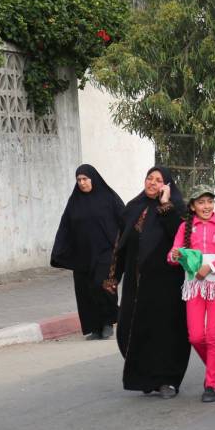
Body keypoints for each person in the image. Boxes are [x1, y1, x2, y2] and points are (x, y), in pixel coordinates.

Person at [103, 167, 191, 398]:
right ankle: (146, 376)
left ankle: (168, 380)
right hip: (136, 283)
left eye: (158, 180)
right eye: (149, 178)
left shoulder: (177, 208)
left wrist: (165, 206)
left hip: (166, 283)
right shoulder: (133, 207)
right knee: (127, 330)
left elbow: (181, 238)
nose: (152, 183)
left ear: (167, 185)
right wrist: (113, 276)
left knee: (165, 332)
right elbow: (120, 244)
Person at [169, 186, 215, 403]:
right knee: (196, 336)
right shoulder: (185, 227)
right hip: (194, 286)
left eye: (210, 201)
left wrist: (211, 267)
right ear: (192, 206)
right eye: (201, 202)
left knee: (213, 335)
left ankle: (211, 385)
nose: (206, 206)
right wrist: (174, 255)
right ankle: (214, 364)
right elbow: (173, 255)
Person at [51, 164, 124, 340]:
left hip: (107, 253)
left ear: (93, 179)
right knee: (86, 291)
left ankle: (108, 322)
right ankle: (95, 327)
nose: (82, 183)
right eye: (79, 180)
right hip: (83, 255)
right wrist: (59, 252)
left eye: (85, 179)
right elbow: (65, 226)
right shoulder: (74, 202)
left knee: (102, 284)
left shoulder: (109, 198)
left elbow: (124, 220)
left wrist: (125, 245)